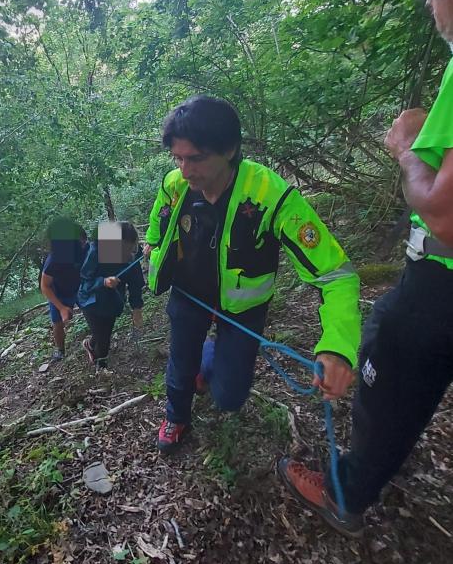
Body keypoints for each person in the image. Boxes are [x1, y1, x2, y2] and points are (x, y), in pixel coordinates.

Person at [279, 0, 453, 537]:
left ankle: (347, 493)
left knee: (385, 367)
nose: (435, 20)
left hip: (441, 281)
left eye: (437, 4)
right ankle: (378, 466)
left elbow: (441, 212)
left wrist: (408, 147)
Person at [144, 96, 361, 460]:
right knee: (181, 365)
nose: (184, 170)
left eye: (195, 158)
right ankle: (176, 417)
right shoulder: (175, 184)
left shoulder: (270, 196)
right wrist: (152, 245)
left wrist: (338, 346)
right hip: (187, 297)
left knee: (230, 396)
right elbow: (158, 220)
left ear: (229, 149)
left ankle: (209, 357)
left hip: (242, 310)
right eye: (177, 158)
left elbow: (336, 275)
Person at [78, 221, 144, 370]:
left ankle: (90, 344)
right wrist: (103, 282)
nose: (129, 253)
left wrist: (137, 307)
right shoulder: (97, 250)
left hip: (112, 299)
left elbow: (135, 281)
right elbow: (84, 282)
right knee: (103, 339)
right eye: (124, 249)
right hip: (91, 300)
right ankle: (101, 367)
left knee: (105, 331)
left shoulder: (133, 252)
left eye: (131, 247)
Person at [40, 220, 88, 361]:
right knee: (58, 322)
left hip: (79, 287)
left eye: (83, 242)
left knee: (91, 309)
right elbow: (45, 286)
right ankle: (60, 349)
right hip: (59, 292)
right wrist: (61, 308)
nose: (82, 245)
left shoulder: (86, 249)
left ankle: (97, 337)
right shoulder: (54, 260)